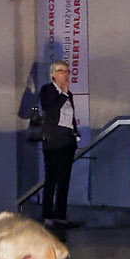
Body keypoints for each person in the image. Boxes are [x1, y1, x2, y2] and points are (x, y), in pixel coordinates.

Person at [37, 60, 79, 229]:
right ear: (53, 74)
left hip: (67, 138)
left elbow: (70, 115)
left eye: (68, 71)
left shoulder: (70, 95)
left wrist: (75, 131)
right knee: (52, 178)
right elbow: (51, 110)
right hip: (54, 139)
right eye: (62, 71)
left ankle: (61, 215)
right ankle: (47, 215)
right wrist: (63, 93)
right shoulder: (47, 90)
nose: (66, 74)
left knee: (64, 179)